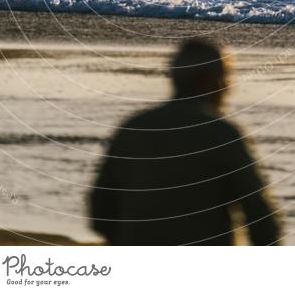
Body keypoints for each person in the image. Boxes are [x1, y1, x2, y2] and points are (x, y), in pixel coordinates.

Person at [89, 38, 281, 245]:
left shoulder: (133, 128)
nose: (227, 88)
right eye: (223, 79)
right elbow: (259, 216)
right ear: (206, 81)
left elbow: (100, 210)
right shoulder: (221, 134)